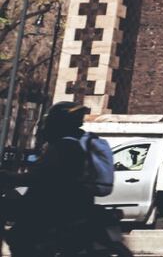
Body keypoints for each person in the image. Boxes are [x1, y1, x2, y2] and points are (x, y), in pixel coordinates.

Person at [0, 102, 97, 257]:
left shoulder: (62, 147)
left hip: (48, 206)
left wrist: (7, 177)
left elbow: (36, 177)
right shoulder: (74, 145)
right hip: (58, 204)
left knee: (18, 237)